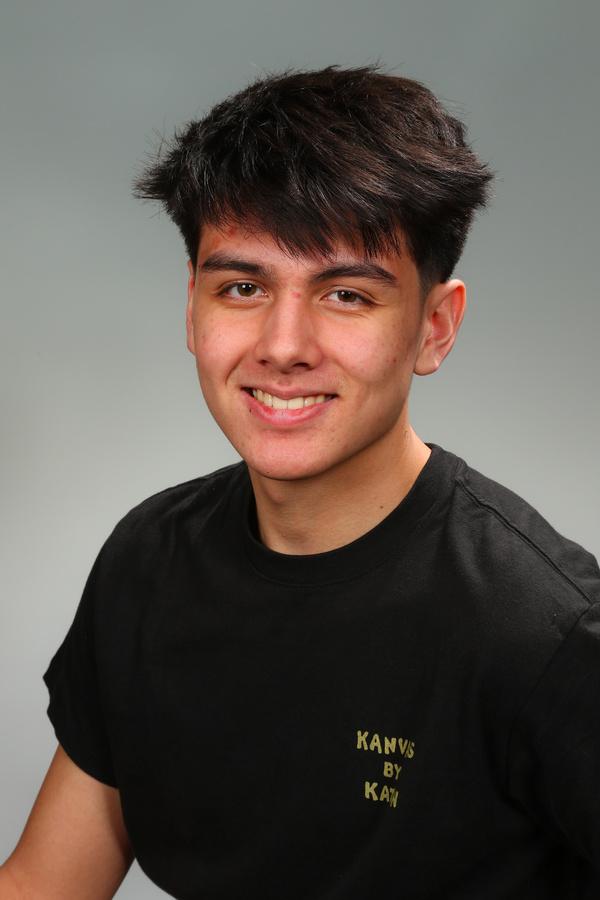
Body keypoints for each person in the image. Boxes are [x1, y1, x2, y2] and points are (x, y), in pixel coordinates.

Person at [1, 64, 599, 899]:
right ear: (193, 306)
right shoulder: (149, 561)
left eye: (346, 294)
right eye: (243, 288)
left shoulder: (547, 635)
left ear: (435, 326)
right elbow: (44, 884)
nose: (283, 346)